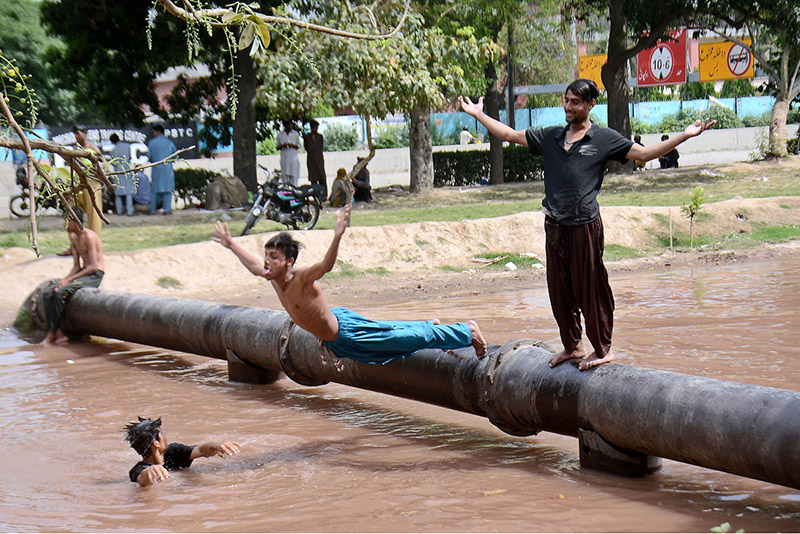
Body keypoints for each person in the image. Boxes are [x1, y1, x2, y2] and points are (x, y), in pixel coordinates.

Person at [459, 78, 715, 370]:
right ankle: (573, 346)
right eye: (566, 100)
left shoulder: (604, 138)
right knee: (559, 290)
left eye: (575, 102)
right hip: (555, 225)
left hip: (585, 227)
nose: (568, 106)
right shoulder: (552, 137)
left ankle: (603, 349)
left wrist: (685, 135)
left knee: (591, 290)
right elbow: (509, 134)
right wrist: (479, 115)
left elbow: (644, 155)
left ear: (591, 105)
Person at [213, 204, 487, 364]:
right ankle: (433, 327)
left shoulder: (302, 278)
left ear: (289, 261)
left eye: (274, 257)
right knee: (390, 351)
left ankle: (466, 331)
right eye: (266, 256)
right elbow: (253, 266)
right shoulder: (273, 277)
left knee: (399, 339)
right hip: (337, 339)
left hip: (346, 332)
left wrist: (336, 237)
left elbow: (326, 266)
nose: (266, 262)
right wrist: (231, 244)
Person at [42, 206, 104, 346]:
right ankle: (58, 333)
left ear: (75, 221)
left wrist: (69, 281)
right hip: (84, 272)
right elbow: (76, 265)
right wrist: (64, 280)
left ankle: (51, 334)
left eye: (66, 221)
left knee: (61, 293)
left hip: (94, 275)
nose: (64, 225)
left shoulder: (89, 236)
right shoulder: (74, 237)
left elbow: (93, 266)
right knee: (48, 293)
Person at [124, 417, 241, 487]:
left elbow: (201, 450)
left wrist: (217, 446)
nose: (165, 436)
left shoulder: (173, 451)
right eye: (162, 434)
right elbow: (142, 480)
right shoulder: (138, 470)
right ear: (156, 443)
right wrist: (149, 472)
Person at [72, 124, 105, 235]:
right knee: (72, 211)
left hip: (92, 184)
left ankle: (94, 241)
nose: (76, 136)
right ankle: (75, 244)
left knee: (94, 214)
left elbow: (104, 164)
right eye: (75, 133)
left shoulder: (93, 149)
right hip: (79, 184)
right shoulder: (76, 149)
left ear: (85, 133)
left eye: (78, 133)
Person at [147, 124, 177, 215]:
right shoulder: (169, 142)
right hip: (168, 169)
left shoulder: (152, 143)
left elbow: (149, 156)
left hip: (156, 168)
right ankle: (167, 210)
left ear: (156, 132)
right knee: (168, 190)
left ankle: (152, 210)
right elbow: (175, 156)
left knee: (155, 190)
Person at [109, 133, 136, 216]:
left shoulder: (112, 151)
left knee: (118, 193)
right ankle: (130, 211)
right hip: (127, 170)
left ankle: (119, 211)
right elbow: (130, 158)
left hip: (117, 172)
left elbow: (113, 163)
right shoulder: (127, 146)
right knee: (128, 192)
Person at [304, 119, 327, 196]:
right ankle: (315, 195)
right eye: (315, 127)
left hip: (319, 160)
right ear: (312, 128)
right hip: (311, 161)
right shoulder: (307, 137)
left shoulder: (320, 137)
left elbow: (321, 147)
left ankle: (324, 195)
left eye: (317, 127)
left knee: (322, 178)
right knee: (313, 179)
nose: (316, 129)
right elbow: (306, 148)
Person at [276, 120, 301, 187]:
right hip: (284, 158)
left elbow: (299, 146)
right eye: (288, 125)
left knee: (294, 176)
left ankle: (294, 192)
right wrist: (282, 146)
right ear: (285, 125)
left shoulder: (295, 134)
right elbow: (277, 147)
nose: (290, 126)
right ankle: (286, 192)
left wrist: (291, 145)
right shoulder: (280, 134)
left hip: (293, 159)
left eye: (291, 125)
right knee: (285, 177)